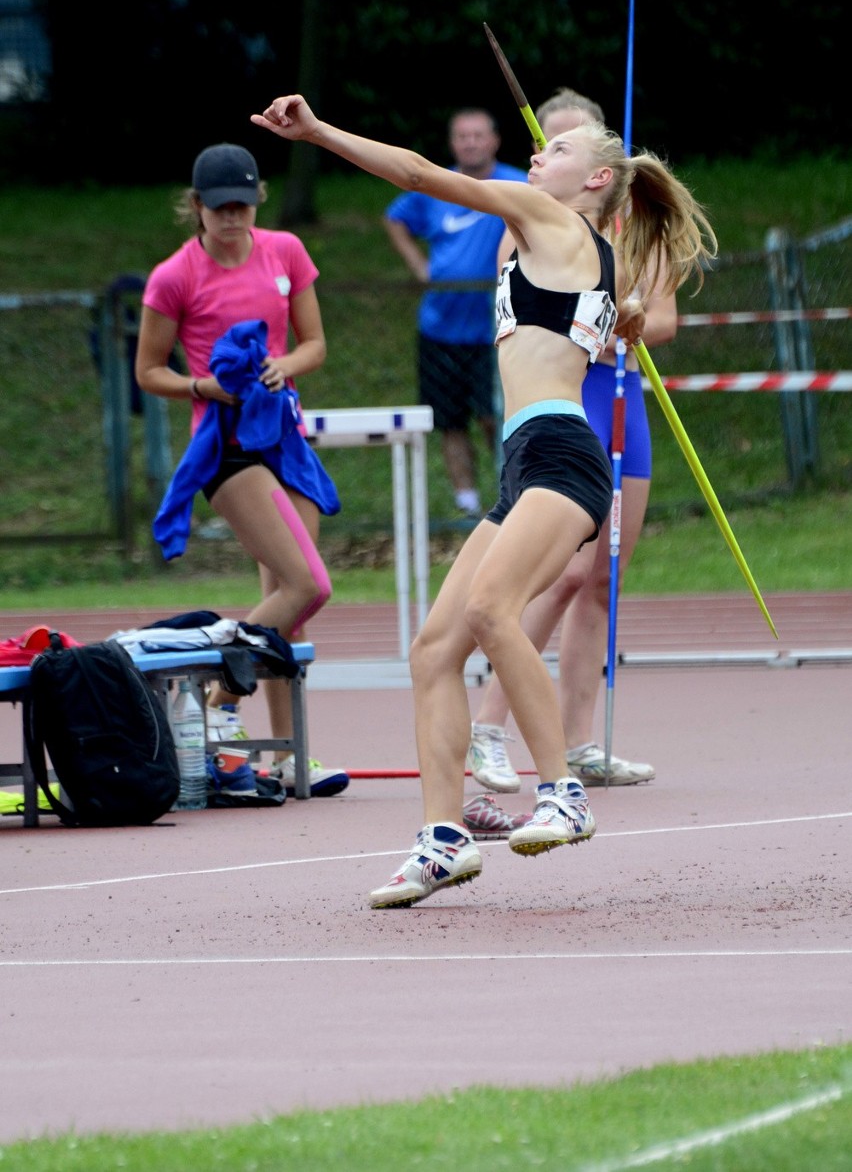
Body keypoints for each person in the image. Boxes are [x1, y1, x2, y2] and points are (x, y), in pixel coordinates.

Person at [251, 91, 716, 908]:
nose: (539, 153)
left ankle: (562, 791)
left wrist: (319, 131)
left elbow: (422, 174)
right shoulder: (564, 244)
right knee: (434, 650)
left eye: (558, 149)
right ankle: (442, 840)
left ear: (595, 178)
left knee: (494, 611)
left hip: (562, 457)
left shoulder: (551, 218)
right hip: (526, 461)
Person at [468, 87, 679, 795]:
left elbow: (660, 317)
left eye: (562, 142)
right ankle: (489, 728)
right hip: (569, 396)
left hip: (625, 401)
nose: (540, 153)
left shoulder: (630, 225)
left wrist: (636, 309)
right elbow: (517, 293)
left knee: (601, 582)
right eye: (546, 139)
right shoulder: (533, 220)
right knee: (557, 575)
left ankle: (581, 739)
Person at [135, 142, 350, 799]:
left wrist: (285, 366)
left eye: (244, 206)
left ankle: (288, 756)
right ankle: (213, 691)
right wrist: (204, 388)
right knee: (309, 584)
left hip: (282, 435)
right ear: (197, 207)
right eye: (221, 208)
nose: (234, 219)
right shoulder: (174, 275)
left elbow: (314, 343)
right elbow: (150, 370)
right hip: (226, 445)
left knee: (291, 603)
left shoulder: (285, 251)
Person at [383, 108, 526, 518]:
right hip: (440, 325)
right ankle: (466, 502)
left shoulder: (516, 184)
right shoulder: (435, 185)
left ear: (495, 140)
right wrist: (418, 266)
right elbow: (395, 218)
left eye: (478, 135)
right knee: (450, 421)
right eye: (462, 136)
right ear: (452, 143)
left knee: (492, 414)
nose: (470, 143)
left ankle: (509, 491)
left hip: (493, 329)